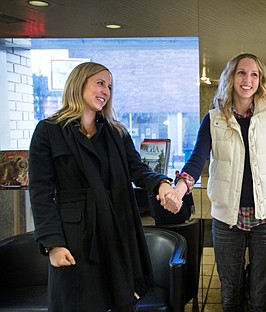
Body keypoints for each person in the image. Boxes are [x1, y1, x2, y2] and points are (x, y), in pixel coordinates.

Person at [28, 62, 179, 312]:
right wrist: (52, 244)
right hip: (74, 239)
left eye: (109, 86)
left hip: (116, 231)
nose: (106, 91)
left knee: (120, 300)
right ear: (79, 84)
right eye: (100, 83)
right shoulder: (49, 131)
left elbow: (137, 169)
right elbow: (41, 193)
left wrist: (160, 185)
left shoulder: (117, 133)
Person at [163, 53, 266, 311]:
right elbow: (196, 160)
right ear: (231, 77)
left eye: (254, 74)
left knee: (260, 299)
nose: (247, 80)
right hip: (228, 219)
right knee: (230, 297)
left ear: (261, 80)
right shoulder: (214, 119)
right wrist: (179, 190)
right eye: (241, 73)